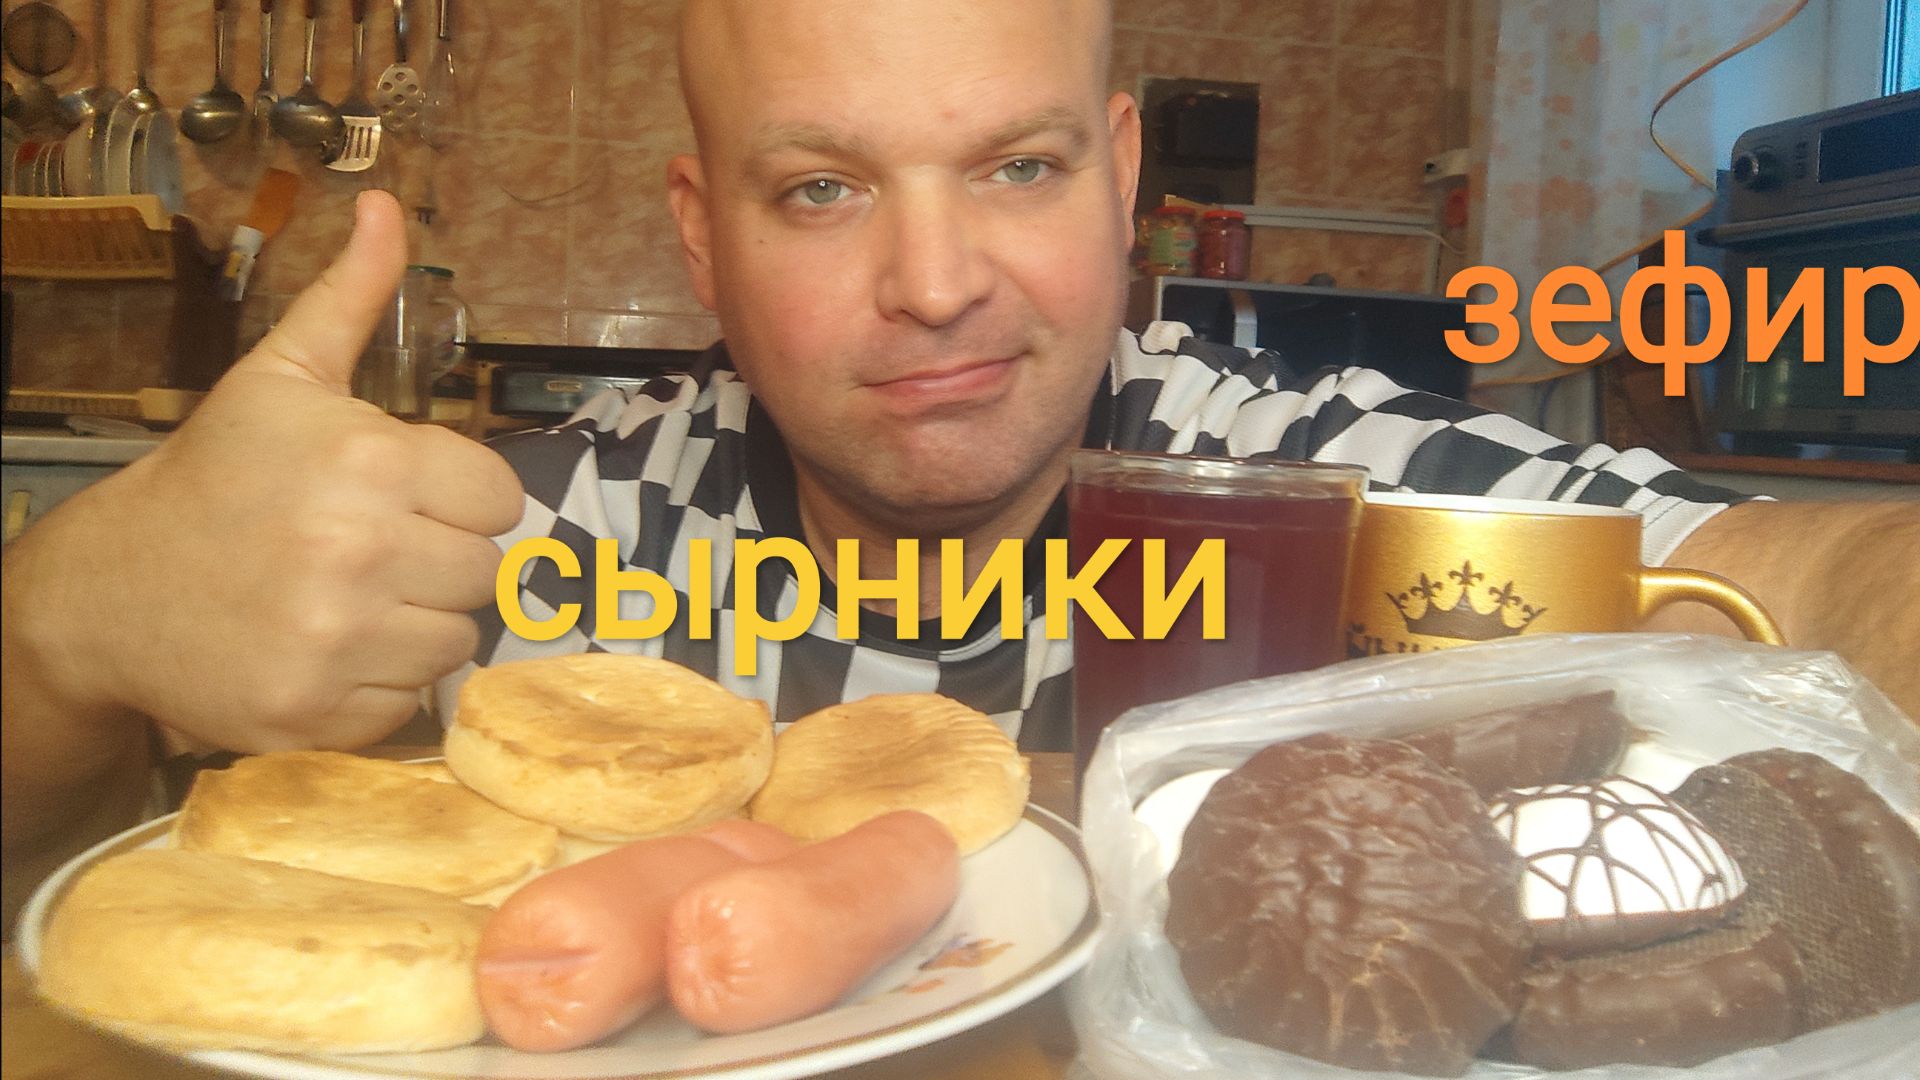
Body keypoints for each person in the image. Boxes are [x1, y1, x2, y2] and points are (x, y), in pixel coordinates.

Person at [3, 0, 1914, 925]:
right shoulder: (523, 534)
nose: (936, 287)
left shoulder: (1309, 485)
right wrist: (57, 630)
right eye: (821, 190)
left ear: (1121, 178)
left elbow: (1823, 585)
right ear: (700, 239)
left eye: (1016, 167)